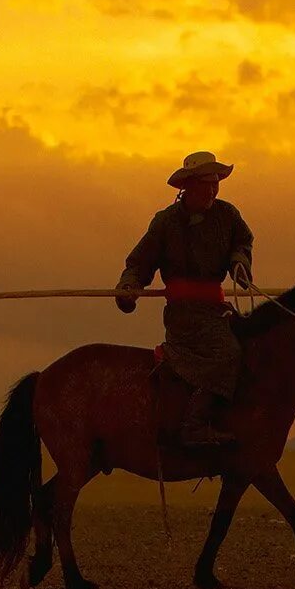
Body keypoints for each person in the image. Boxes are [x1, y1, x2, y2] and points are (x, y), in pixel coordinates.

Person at [116, 151, 254, 447]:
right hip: (184, 315)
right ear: (188, 186)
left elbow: (242, 242)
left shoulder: (228, 216)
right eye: (206, 183)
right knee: (227, 353)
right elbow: (139, 263)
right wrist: (129, 287)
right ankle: (192, 426)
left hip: (217, 309)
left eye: (216, 183)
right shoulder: (166, 222)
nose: (213, 190)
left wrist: (240, 263)